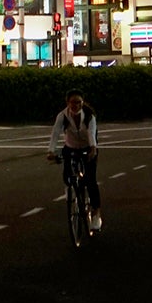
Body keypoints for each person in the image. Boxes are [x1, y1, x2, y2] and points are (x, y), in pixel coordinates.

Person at [48, 92, 102, 233]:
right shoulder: (63, 116)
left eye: (78, 102)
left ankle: (96, 214)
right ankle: (70, 188)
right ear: (67, 103)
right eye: (73, 102)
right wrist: (51, 151)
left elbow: (91, 132)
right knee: (67, 172)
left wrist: (93, 148)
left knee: (91, 180)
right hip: (71, 147)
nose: (76, 105)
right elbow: (55, 132)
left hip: (87, 147)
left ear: (82, 103)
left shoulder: (89, 116)